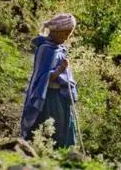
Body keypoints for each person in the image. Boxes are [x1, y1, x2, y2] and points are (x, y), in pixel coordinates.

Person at [20, 13, 79, 148]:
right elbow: (43, 77)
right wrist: (60, 70)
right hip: (48, 98)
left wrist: (66, 74)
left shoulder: (60, 49)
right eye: (65, 34)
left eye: (69, 34)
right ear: (56, 31)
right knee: (51, 126)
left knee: (63, 128)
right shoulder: (45, 50)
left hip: (60, 96)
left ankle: (62, 156)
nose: (67, 38)